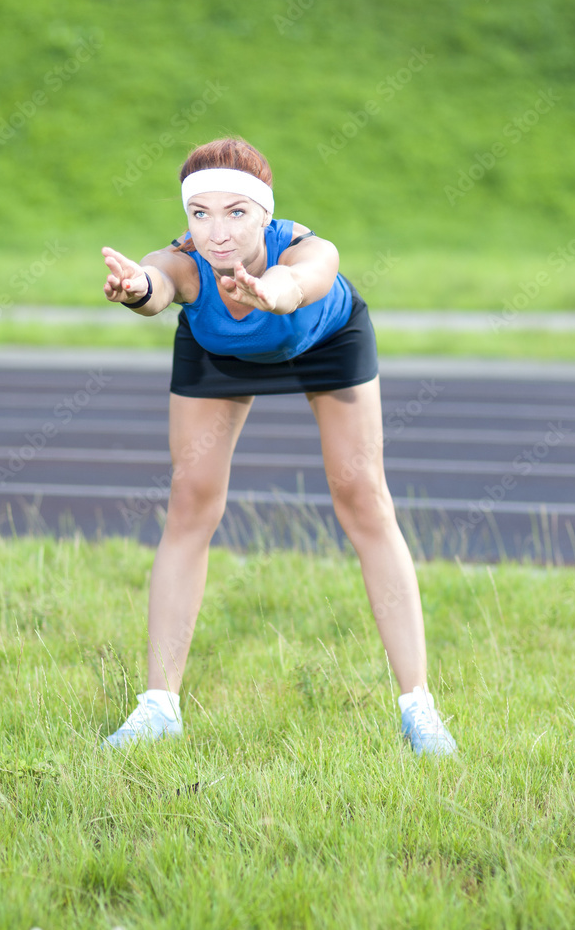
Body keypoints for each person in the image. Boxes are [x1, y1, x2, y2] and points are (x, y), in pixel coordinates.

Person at [101, 136, 457, 757]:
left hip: (325, 346)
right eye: (200, 213)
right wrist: (137, 289)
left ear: (266, 214)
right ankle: (159, 707)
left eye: (236, 212)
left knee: (363, 499)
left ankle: (418, 708)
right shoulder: (188, 260)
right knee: (190, 503)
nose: (216, 231)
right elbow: (158, 282)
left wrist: (277, 291)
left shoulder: (306, 250)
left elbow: (307, 278)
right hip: (221, 355)